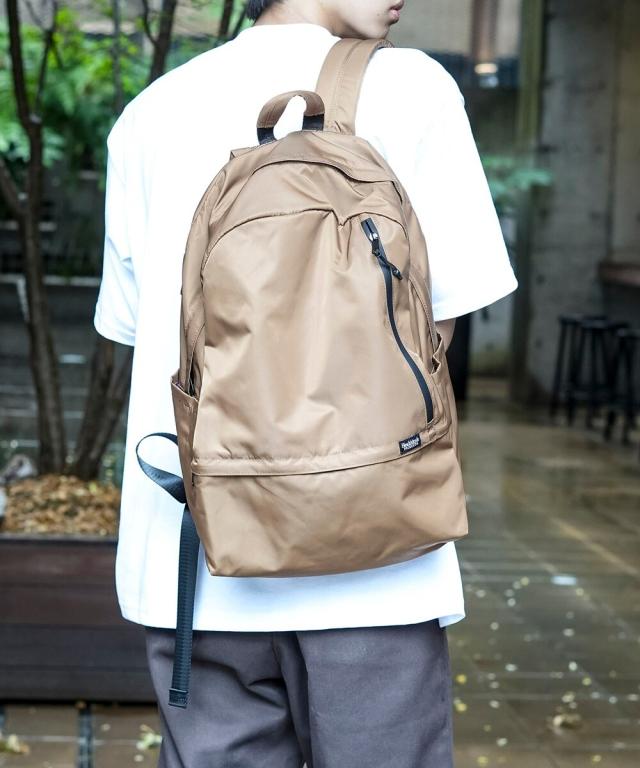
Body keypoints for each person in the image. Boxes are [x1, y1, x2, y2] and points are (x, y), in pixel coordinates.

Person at [94, 1, 518, 765]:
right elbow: (436, 330)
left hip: (193, 564)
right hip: (374, 562)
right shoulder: (413, 89)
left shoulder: (149, 114)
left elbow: (136, 333)